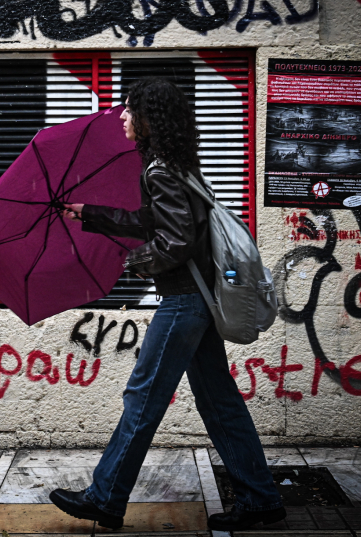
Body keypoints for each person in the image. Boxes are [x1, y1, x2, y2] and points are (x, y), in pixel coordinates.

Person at [51, 78, 286, 532]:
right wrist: (91, 213)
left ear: (148, 118)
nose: (122, 116)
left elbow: (176, 240)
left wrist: (135, 262)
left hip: (183, 302)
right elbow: (154, 221)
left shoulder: (159, 170)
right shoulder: (175, 165)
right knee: (219, 402)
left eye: (128, 109)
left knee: (143, 398)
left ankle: (105, 497)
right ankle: (261, 500)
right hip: (198, 298)